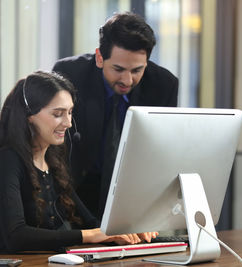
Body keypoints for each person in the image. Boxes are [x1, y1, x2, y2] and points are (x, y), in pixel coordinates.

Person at [0, 71, 157, 254]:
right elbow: (16, 236)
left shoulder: (52, 159)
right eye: (58, 114)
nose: (68, 123)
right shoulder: (6, 159)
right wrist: (89, 236)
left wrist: (124, 232)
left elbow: (91, 224)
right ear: (29, 115)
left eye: (70, 112)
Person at [53, 12, 178, 218]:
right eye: (118, 69)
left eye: (137, 70)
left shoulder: (164, 85)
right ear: (100, 58)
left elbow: (162, 149)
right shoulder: (69, 74)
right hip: (74, 191)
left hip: (134, 195)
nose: (127, 80)